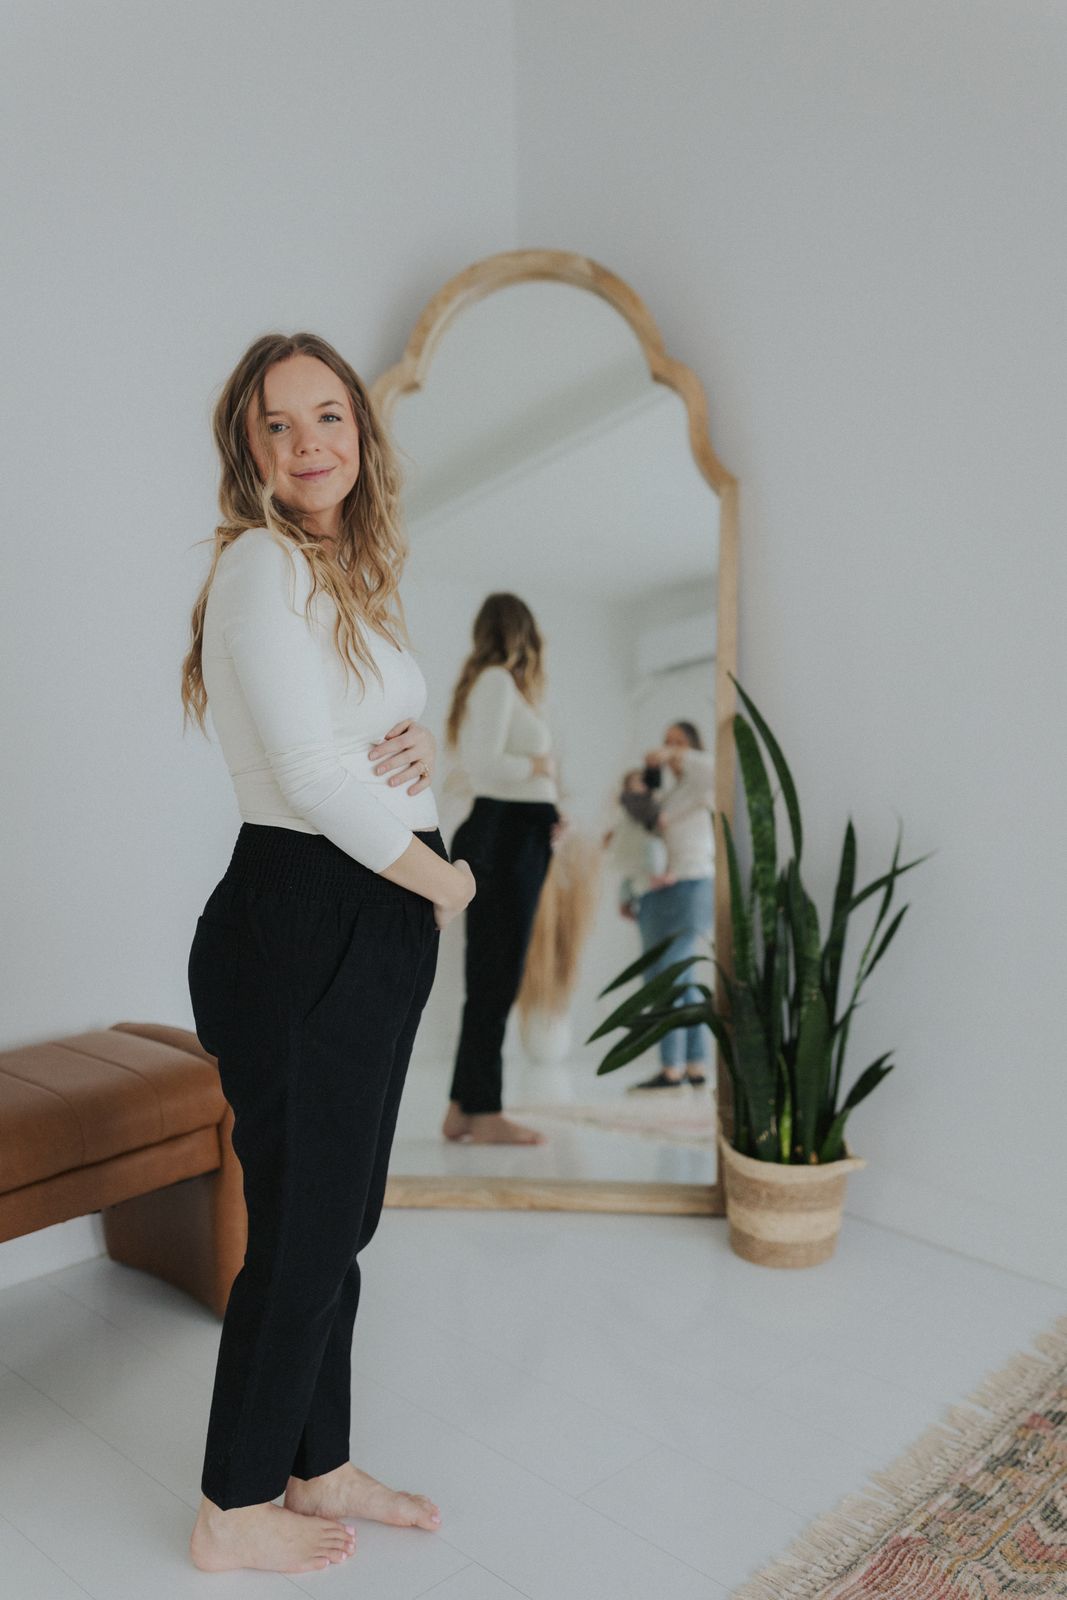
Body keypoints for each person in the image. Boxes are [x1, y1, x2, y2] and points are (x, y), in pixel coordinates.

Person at [180, 332, 475, 1576]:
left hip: (364, 914)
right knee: (303, 1226)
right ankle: (230, 1506)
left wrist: (423, 761)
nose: (308, 444)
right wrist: (447, 880)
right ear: (247, 450)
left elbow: (372, 747)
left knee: (339, 1217)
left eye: (328, 416)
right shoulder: (259, 565)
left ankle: (321, 1459)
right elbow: (304, 777)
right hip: (303, 918)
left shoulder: (339, 573)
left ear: (362, 431)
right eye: (277, 425)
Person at [441, 593, 562, 1145]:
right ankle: (483, 1112)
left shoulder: (496, 684)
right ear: (522, 632)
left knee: (491, 978)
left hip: (519, 835)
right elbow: (485, 766)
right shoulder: (495, 681)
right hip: (506, 837)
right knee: (495, 979)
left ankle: (464, 1108)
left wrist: (548, 810)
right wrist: (539, 767)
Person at [628, 721, 715, 1091]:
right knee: (675, 977)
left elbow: (712, 768)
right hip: (657, 890)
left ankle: (671, 1068)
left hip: (692, 883)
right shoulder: (666, 792)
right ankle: (694, 1064)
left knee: (672, 974)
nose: (669, 749)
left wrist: (676, 754)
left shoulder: (701, 781)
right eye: (666, 742)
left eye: (678, 743)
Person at [603, 768, 671, 921]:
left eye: (644, 781)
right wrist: (659, 814)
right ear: (627, 786)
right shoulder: (632, 800)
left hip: (630, 851)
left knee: (631, 878)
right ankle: (656, 876)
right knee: (654, 849)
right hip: (636, 845)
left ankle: (625, 902)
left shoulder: (630, 803)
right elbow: (650, 815)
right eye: (637, 781)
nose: (643, 785)